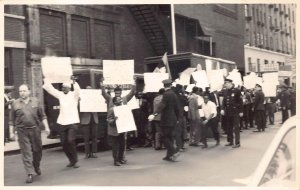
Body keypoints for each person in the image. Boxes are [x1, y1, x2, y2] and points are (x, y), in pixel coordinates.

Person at [9, 84, 50, 183]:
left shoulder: (36, 101)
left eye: (24, 91)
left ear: (29, 91)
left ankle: (36, 166)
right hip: (22, 131)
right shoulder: (15, 104)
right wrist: (11, 133)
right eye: (20, 91)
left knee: (37, 150)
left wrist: (47, 127)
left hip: (35, 130)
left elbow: (43, 116)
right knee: (26, 152)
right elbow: (11, 120)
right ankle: (30, 173)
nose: (22, 93)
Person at [43, 77, 81, 168]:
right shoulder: (60, 95)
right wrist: (46, 79)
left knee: (70, 140)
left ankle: (75, 160)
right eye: (62, 87)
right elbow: (50, 89)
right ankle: (71, 160)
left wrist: (74, 82)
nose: (63, 88)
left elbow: (78, 90)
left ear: (69, 88)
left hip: (72, 122)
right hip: (62, 122)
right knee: (64, 143)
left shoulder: (74, 96)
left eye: (65, 87)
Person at [148, 79, 180, 162]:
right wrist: (177, 118)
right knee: (170, 137)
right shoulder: (174, 94)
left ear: (164, 86)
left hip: (166, 119)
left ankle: (174, 151)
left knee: (163, 136)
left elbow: (161, 105)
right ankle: (168, 156)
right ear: (171, 85)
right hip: (173, 119)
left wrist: (154, 114)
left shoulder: (166, 94)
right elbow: (177, 108)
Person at [221, 79, 243, 148]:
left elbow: (240, 101)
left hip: (235, 112)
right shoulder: (225, 91)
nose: (225, 84)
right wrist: (222, 109)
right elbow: (224, 101)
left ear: (230, 83)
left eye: (226, 83)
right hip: (228, 112)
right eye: (225, 83)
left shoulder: (237, 91)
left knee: (236, 127)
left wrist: (241, 111)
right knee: (229, 127)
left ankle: (237, 143)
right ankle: (230, 141)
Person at [107, 96, 127, 166]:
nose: (120, 100)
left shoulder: (122, 109)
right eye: (118, 100)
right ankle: (116, 161)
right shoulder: (112, 109)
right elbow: (109, 120)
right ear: (115, 102)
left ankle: (120, 159)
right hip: (114, 131)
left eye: (120, 99)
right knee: (115, 147)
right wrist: (114, 120)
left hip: (121, 130)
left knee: (122, 145)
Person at [79, 86, 98, 159]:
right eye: (87, 90)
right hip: (85, 120)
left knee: (94, 137)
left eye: (90, 90)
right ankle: (87, 153)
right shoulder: (82, 99)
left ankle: (94, 152)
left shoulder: (95, 99)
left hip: (94, 119)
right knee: (86, 138)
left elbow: (100, 107)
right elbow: (79, 109)